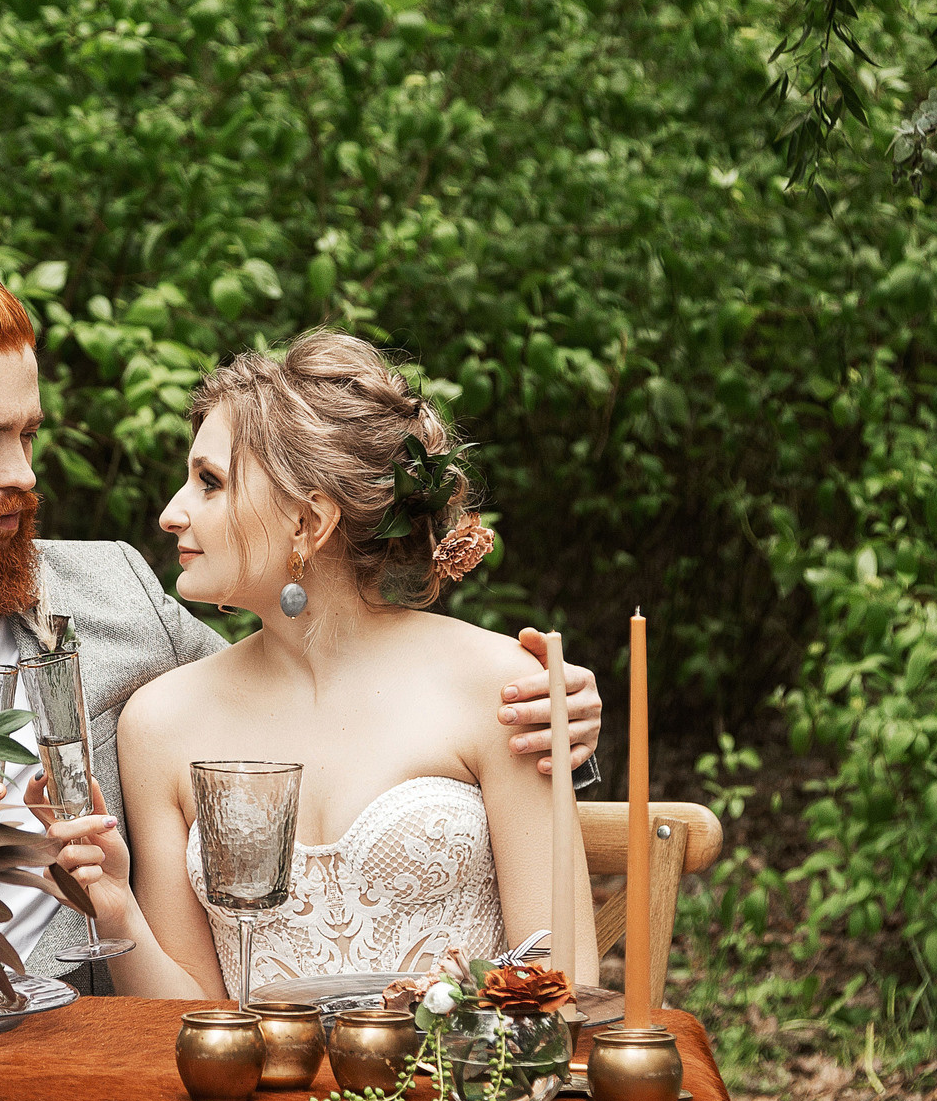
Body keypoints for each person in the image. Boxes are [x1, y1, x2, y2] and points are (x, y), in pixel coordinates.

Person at [0, 192, 603, 985]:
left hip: (96, 1092)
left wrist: (552, 716)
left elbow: (321, 683)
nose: (23, 475)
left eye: (29, 435)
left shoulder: (115, 595)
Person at [45, 331, 604, 1001]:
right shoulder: (160, 723)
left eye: (210, 483)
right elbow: (189, 1018)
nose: (171, 513)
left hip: (459, 1089)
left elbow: (564, 982)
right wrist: (116, 906)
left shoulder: (501, 686)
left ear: (308, 523)